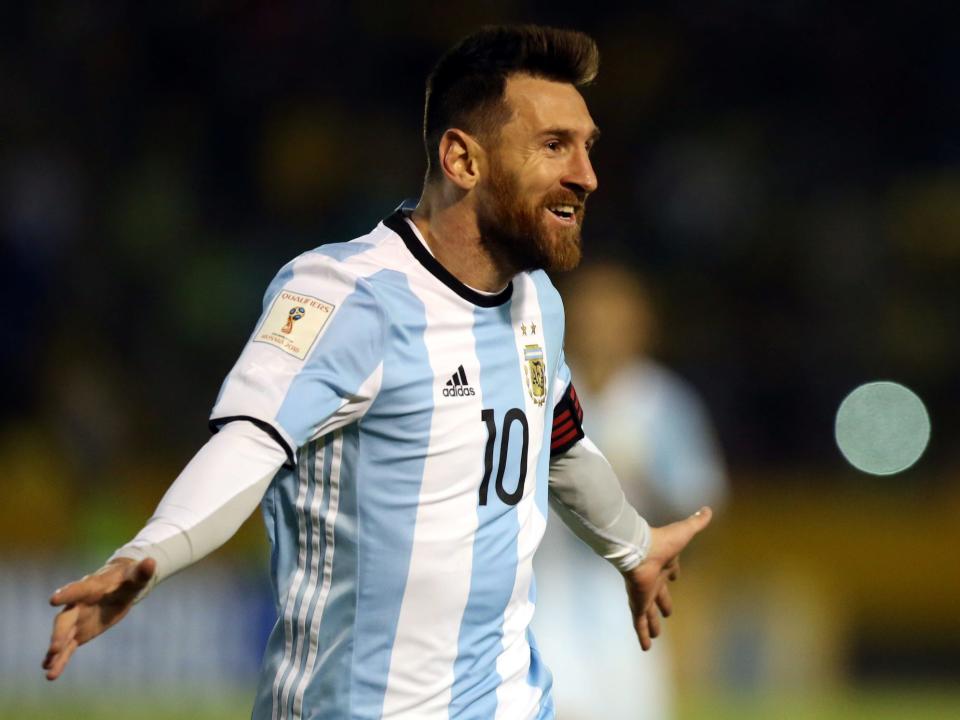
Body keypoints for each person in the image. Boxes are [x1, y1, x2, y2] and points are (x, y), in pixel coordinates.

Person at [43, 25, 712, 720]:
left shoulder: (536, 300)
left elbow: (560, 439)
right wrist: (148, 554)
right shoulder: (345, 294)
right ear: (462, 159)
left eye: (587, 146)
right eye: (553, 146)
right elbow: (249, 441)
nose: (586, 174)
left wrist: (632, 544)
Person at [533, 264, 728, 719]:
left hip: (630, 614)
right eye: (592, 312)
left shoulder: (662, 402)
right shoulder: (540, 389)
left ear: (642, 323)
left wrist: (645, 481)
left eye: (616, 314)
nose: (603, 326)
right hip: (543, 601)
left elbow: (703, 512)